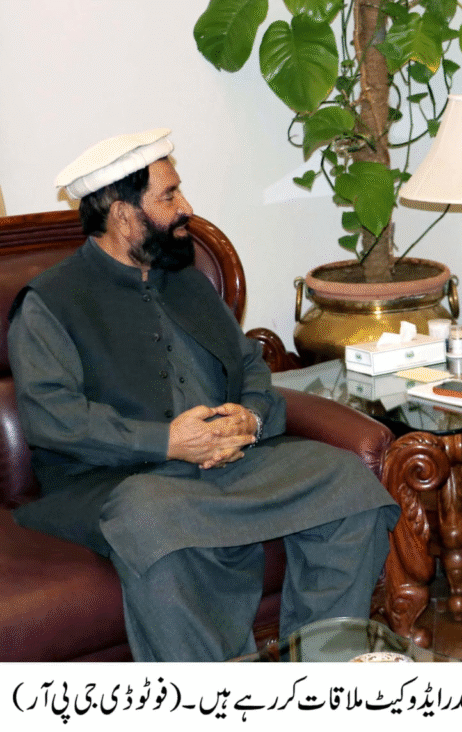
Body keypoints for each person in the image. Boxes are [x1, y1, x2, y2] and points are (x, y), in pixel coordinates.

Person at [7, 128, 400, 661]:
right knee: (152, 521)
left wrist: (252, 419)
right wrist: (167, 442)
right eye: (169, 196)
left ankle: (318, 668)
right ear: (123, 215)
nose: (185, 208)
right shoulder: (50, 302)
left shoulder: (187, 279)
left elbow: (250, 366)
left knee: (346, 483)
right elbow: (54, 418)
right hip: (120, 482)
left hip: (231, 465)